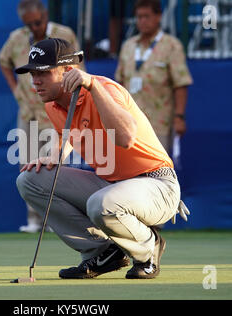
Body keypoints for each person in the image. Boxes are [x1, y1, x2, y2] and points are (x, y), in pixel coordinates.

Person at [15, 38, 188, 280]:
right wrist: (54, 155)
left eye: (43, 72)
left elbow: (126, 138)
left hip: (157, 184)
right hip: (112, 185)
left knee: (102, 203)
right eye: (32, 73)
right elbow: (70, 134)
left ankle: (149, 248)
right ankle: (104, 252)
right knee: (29, 179)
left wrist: (93, 86)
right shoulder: (53, 106)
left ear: (68, 71)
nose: (35, 81)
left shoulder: (105, 89)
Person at [0, 0, 83, 233]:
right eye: (29, 24)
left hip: (55, 108)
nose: (34, 27)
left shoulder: (63, 34)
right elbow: (3, 60)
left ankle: (57, 219)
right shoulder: (17, 37)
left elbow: (78, 67)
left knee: (57, 164)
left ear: (45, 15)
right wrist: (16, 90)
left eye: (37, 22)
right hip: (28, 111)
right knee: (27, 163)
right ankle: (34, 220)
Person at [115, 0, 193, 153]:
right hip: (129, 123)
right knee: (129, 171)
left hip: (159, 123)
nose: (142, 21)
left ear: (158, 17)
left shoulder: (171, 45)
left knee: (156, 170)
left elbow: (180, 84)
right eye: (139, 17)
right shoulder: (128, 46)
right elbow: (120, 82)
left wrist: (179, 117)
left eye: (147, 16)